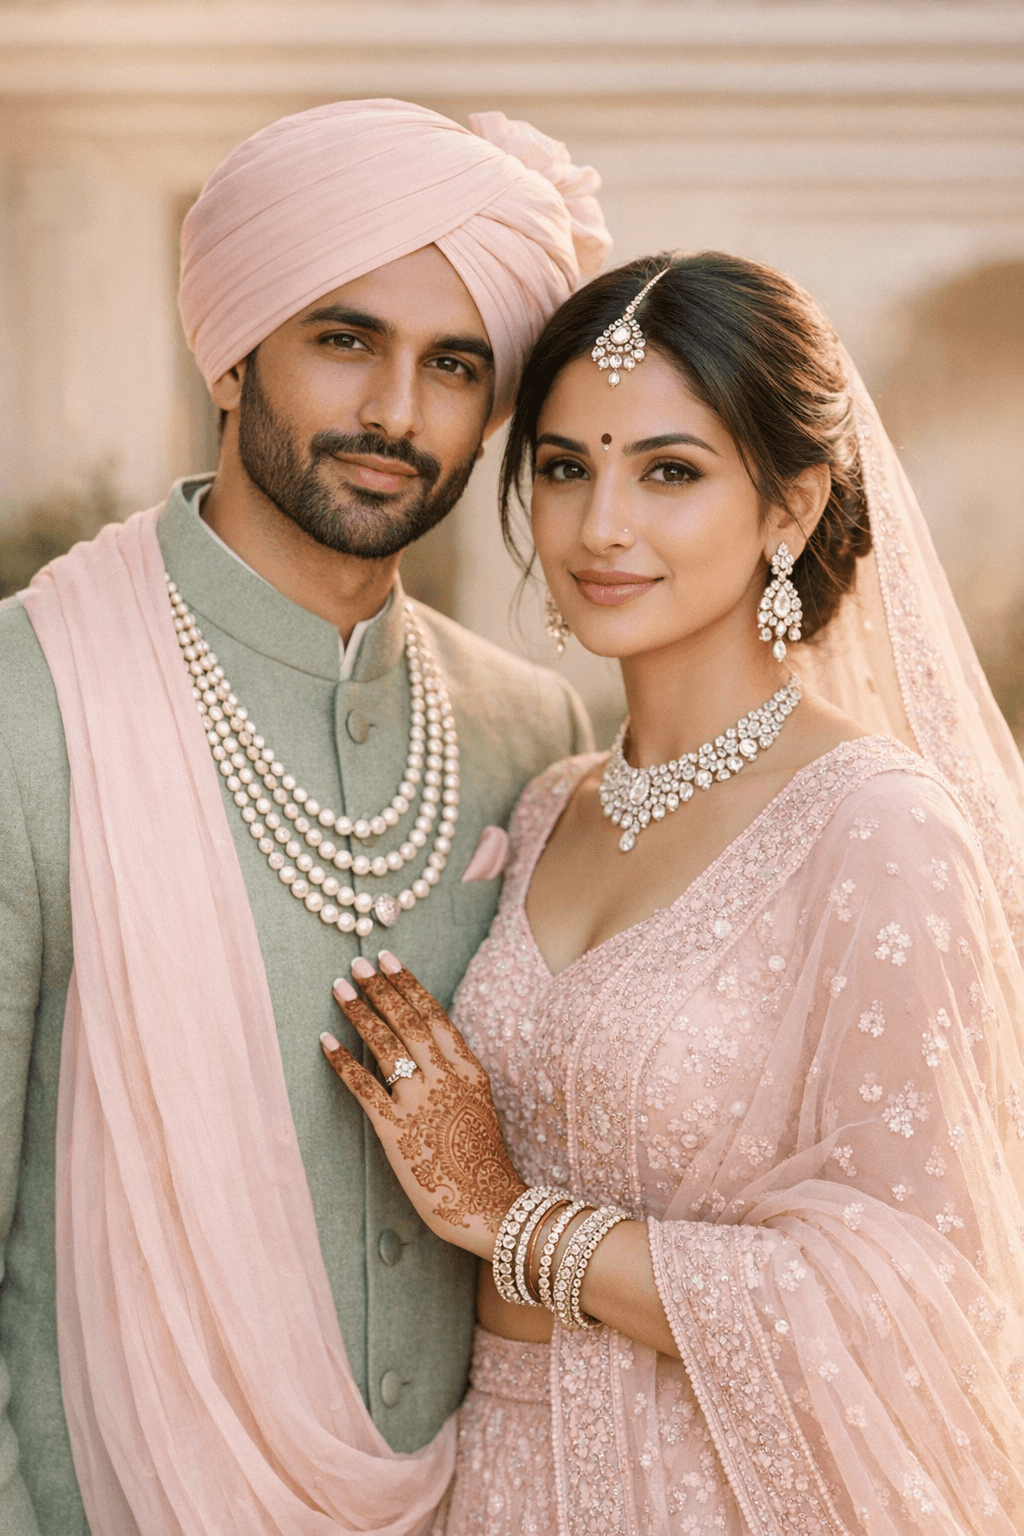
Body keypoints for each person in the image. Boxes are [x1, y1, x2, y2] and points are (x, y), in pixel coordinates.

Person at [323, 251, 1024, 1534]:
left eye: (669, 472)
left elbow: (920, 1297)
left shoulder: (876, 827)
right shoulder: (550, 807)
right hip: (497, 1494)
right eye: (563, 468)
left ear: (790, 507)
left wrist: (507, 1219)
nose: (600, 526)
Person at [0, 99, 610, 1534]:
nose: (397, 412)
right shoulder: (33, 706)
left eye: (454, 365)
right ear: (232, 355)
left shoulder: (534, 731)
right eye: (346, 339)